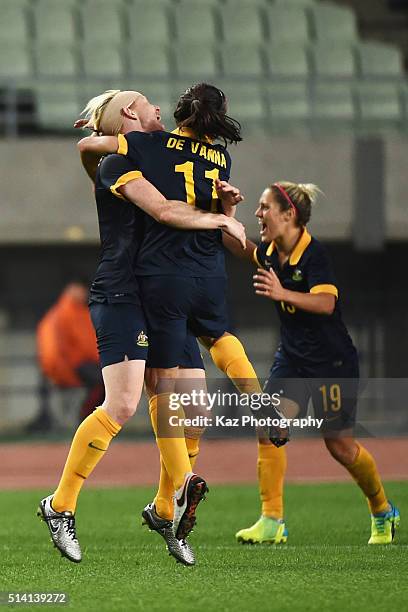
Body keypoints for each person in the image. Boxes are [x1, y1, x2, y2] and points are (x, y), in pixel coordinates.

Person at [37, 89, 246, 567]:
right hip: (123, 292)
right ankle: (60, 506)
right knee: (125, 401)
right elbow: (164, 211)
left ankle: (163, 507)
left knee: (193, 412)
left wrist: (225, 210)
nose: (159, 109)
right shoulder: (119, 165)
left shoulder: (161, 157)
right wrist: (221, 219)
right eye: (148, 103)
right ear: (131, 113)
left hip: (162, 294)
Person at [227, 181, 400, 545]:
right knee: (269, 426)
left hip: (331, 362)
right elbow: (243, 249)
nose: (258, 214)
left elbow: (326, 304)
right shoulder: (273, 251)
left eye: (264, 208)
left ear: (289, 214)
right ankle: (272, 520)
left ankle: (382, 510)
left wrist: (282, 292)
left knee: (339, 446)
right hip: (292, 358)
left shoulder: (314, 254)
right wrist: (223, 216)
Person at [37, 281, 104, 423]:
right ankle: (86, 419)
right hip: (76, 364)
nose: (83, 293)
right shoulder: (59, 315)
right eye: (80, 289)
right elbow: (52, 350)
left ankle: (94, 420)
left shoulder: (85, 312)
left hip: (91, 363)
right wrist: (61, 370)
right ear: (70, 289)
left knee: (110, 380)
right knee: (102, 381)